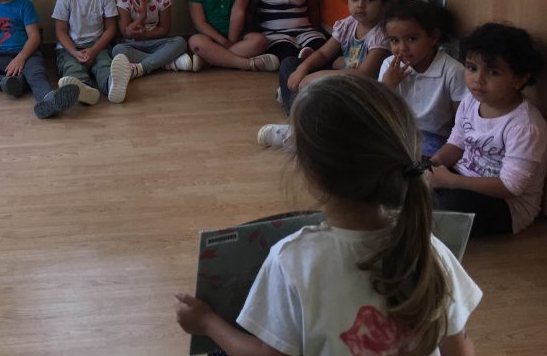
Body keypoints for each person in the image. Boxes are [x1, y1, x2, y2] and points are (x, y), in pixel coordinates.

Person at [176, 74, 482, 356]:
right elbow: (459, 350)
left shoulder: (292, 260)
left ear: (311, 173)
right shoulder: (429, 249)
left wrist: (206, 323)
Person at [430, 22, 547, 236]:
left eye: (493, 72)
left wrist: (451, 181)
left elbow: (510, 187)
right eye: (472, 68)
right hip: (462, 179)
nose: (478, 79)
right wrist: (433, 164)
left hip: (506, 205)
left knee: (450, 205)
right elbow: (456, 143)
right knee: (410, 175)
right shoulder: (470, 101)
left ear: (520, 79)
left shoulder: (526, 126)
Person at [257, 0, 392, 148]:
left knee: (320, 92)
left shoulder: (381, 34)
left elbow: (364, 74)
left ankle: (298, 127)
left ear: (384, 3)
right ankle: (299, 112)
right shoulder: (349, 24)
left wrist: (319, 76)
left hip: (358, 91)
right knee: (290, 63)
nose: (360, 5)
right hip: (341, 77)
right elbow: (322, 53)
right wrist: (303, 69)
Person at [379, 0, 467, 157]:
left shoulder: (453, 71)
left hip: (435, 138)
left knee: (410, 160)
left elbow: (462, 121)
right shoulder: (389, 66)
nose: (402, 48)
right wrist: (387, 86)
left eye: (411, 39)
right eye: (394, 40)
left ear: (433, 37)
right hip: (398, 132)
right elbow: (378, 113)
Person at [53, 0, 129, 105]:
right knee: (72, 68)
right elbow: (60, 32)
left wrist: (94, 50)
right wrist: (74, 52)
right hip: (70, 48)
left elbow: (111, 29)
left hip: (98, 45)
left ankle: (111, 85)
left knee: (104, 65)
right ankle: (84, 90)